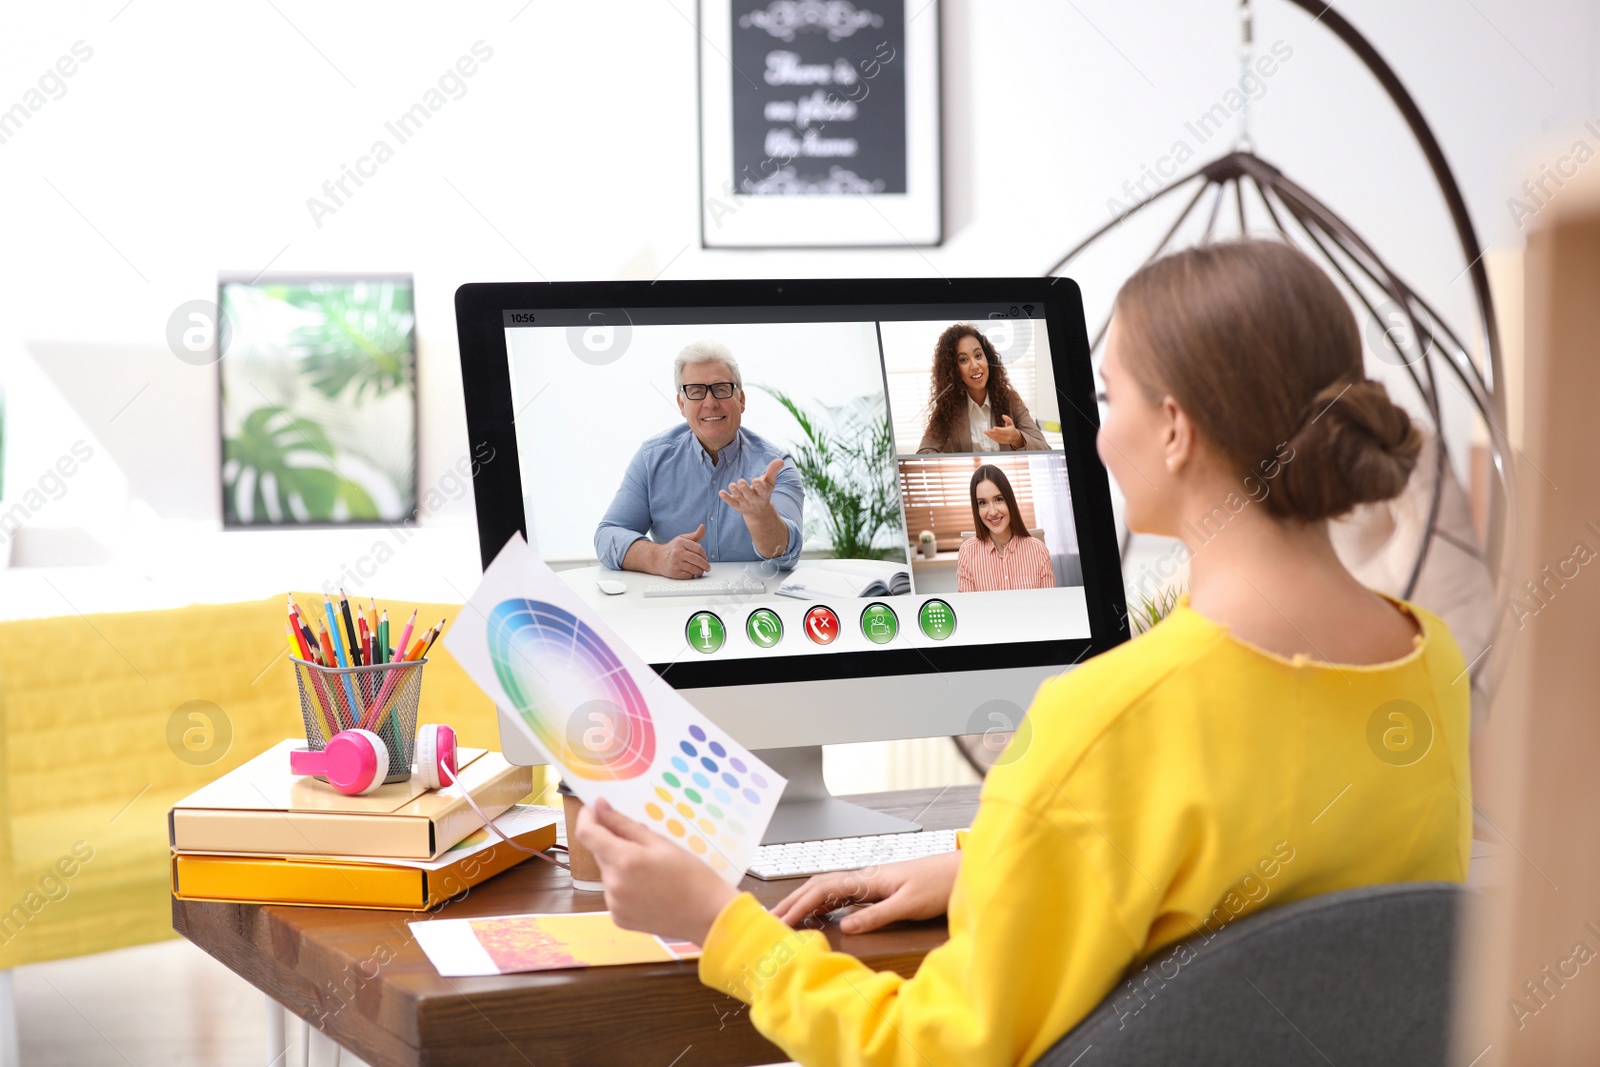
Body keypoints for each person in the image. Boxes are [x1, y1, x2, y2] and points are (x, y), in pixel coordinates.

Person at [575, 241, 1469, 1066]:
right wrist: (995, 864)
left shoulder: (1104, 720)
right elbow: (1275, 904)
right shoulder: (1430, 668)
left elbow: (932, 1050)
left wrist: (717, 921)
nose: (1091, 430)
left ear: (1174, 429)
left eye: (1107, 395)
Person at [594, 341, 803, 578]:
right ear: (682, 404)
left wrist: (761, 516)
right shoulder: (651, 459)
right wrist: (657, 557)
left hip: (753, 604)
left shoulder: (775, 467)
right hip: (672, 604)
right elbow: (608, 535)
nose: (710, 403)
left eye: (721, 389)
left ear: (741, 399)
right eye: (696, 391)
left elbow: (787, 557)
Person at [917, 323, 1049, 454]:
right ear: (953, 369)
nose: (974, 366)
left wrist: (1017, 438)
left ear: (988, 358)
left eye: (978, 355)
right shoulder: (948, 406)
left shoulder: (1011, 399)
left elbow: (1045, 449)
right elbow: (924, 452)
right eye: (963, 360)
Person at [956, 464, 1055, 592]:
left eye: (998, 499)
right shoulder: (967, 552)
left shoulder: (1038, 551)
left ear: (1009, 501)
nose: (992, 512)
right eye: (983, 503)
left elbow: (1048, 607)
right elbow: (967, 609)